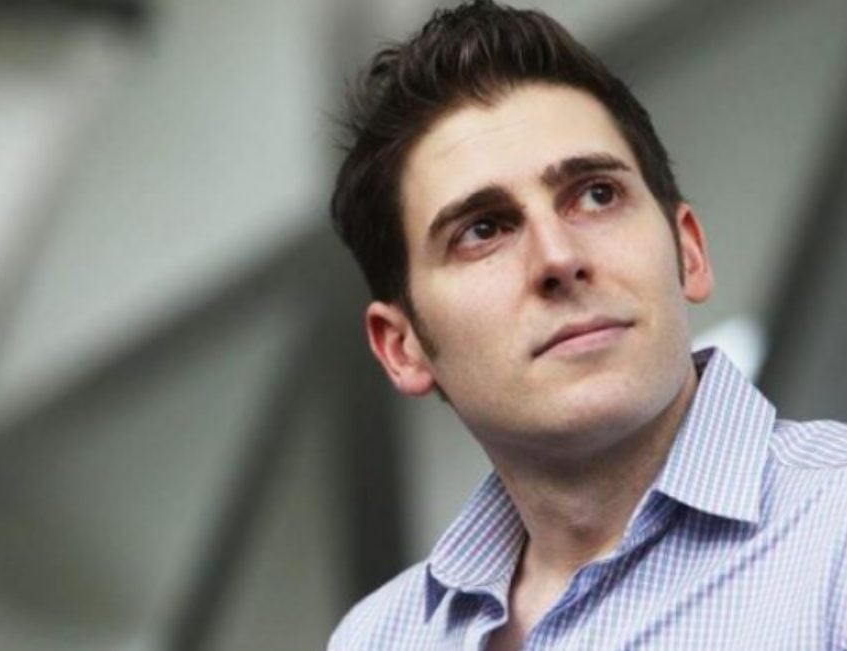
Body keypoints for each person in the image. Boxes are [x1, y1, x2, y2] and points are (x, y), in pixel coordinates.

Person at [326, 2, 847, 649]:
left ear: (688, 250)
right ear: (402, 348)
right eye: (482, 230)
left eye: (597, 194)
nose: (558, 258)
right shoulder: (377, 637)